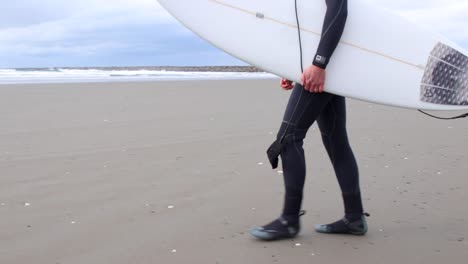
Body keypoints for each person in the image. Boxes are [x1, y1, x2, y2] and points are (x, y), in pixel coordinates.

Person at [249, 0, 369, 241]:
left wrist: (318, 65)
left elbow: (338, 10)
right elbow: (308, 25)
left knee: (288, 138)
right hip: (328, 66)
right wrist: (293, 68)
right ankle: (354, 217)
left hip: (324, 66)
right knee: (336, 141)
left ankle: (289, 220)